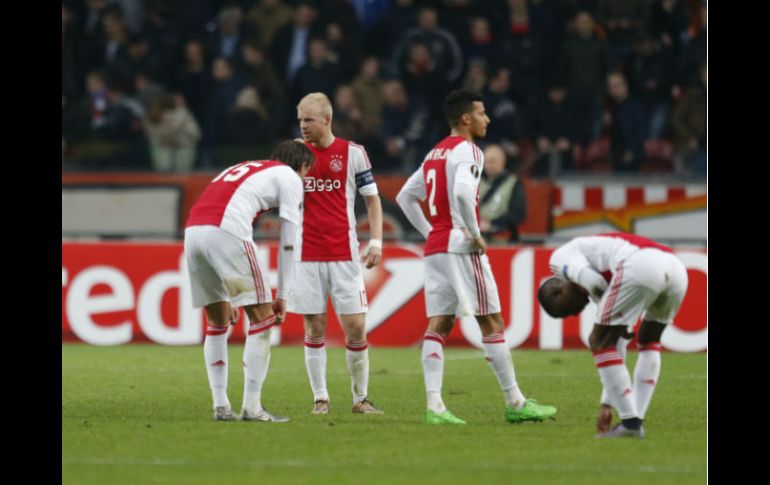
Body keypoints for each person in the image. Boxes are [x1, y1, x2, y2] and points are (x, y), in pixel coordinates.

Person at [395, 90, 557, 425]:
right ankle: (515, 402)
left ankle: (435, 407)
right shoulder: (468, 150)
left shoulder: (435, 152)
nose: (488, 119)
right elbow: (462, 192)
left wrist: (429, 231)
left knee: (438, 324)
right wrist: (474, 232)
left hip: (437, 248)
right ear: (466, 119)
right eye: (482, 113)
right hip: (460, 245)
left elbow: (404, 197)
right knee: (492, 322)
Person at [184, 140, 314, 422]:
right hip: (226, 231)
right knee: (263, 319)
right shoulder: (290, 176)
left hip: (193, 232)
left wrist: (228, 294)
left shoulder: (243, 168)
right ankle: (252, 407)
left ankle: (221, 405)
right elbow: (290, 239)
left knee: (217, 323)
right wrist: (283, 293)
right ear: (303, 166)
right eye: (307, 172)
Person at [537, 232, 689, 438]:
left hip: (641, 265)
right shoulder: (590, 256)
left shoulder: (558, 260)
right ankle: (635, 419)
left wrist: (614, 325)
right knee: (649, 340)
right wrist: (607, 403)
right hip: (676, 268)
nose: (575, 313)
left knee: (598, 340)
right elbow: (617, 345)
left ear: (558, 291)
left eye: (566, 311)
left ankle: (630, 423)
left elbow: (595, 282)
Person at [289, 92, 384, 415]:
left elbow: (372, 199)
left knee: (356, 326)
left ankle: (360, 398)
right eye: (300, 119)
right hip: (306, 254)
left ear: (327, 120)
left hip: (344, 254)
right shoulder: (295, 154)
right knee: (314, 326)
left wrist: (376, 241)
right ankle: (320, 398)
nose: (303, 125)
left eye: (309, 120)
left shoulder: (353, 153)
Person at [479, 144, 527, 243]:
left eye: (492, 161)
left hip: (502, 239)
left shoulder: (513, 184)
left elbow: (518, 214)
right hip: (478, 239)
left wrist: (492, 224)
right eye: (486, 162)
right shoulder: (478, 183)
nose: (488, 165)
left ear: (502, 162)